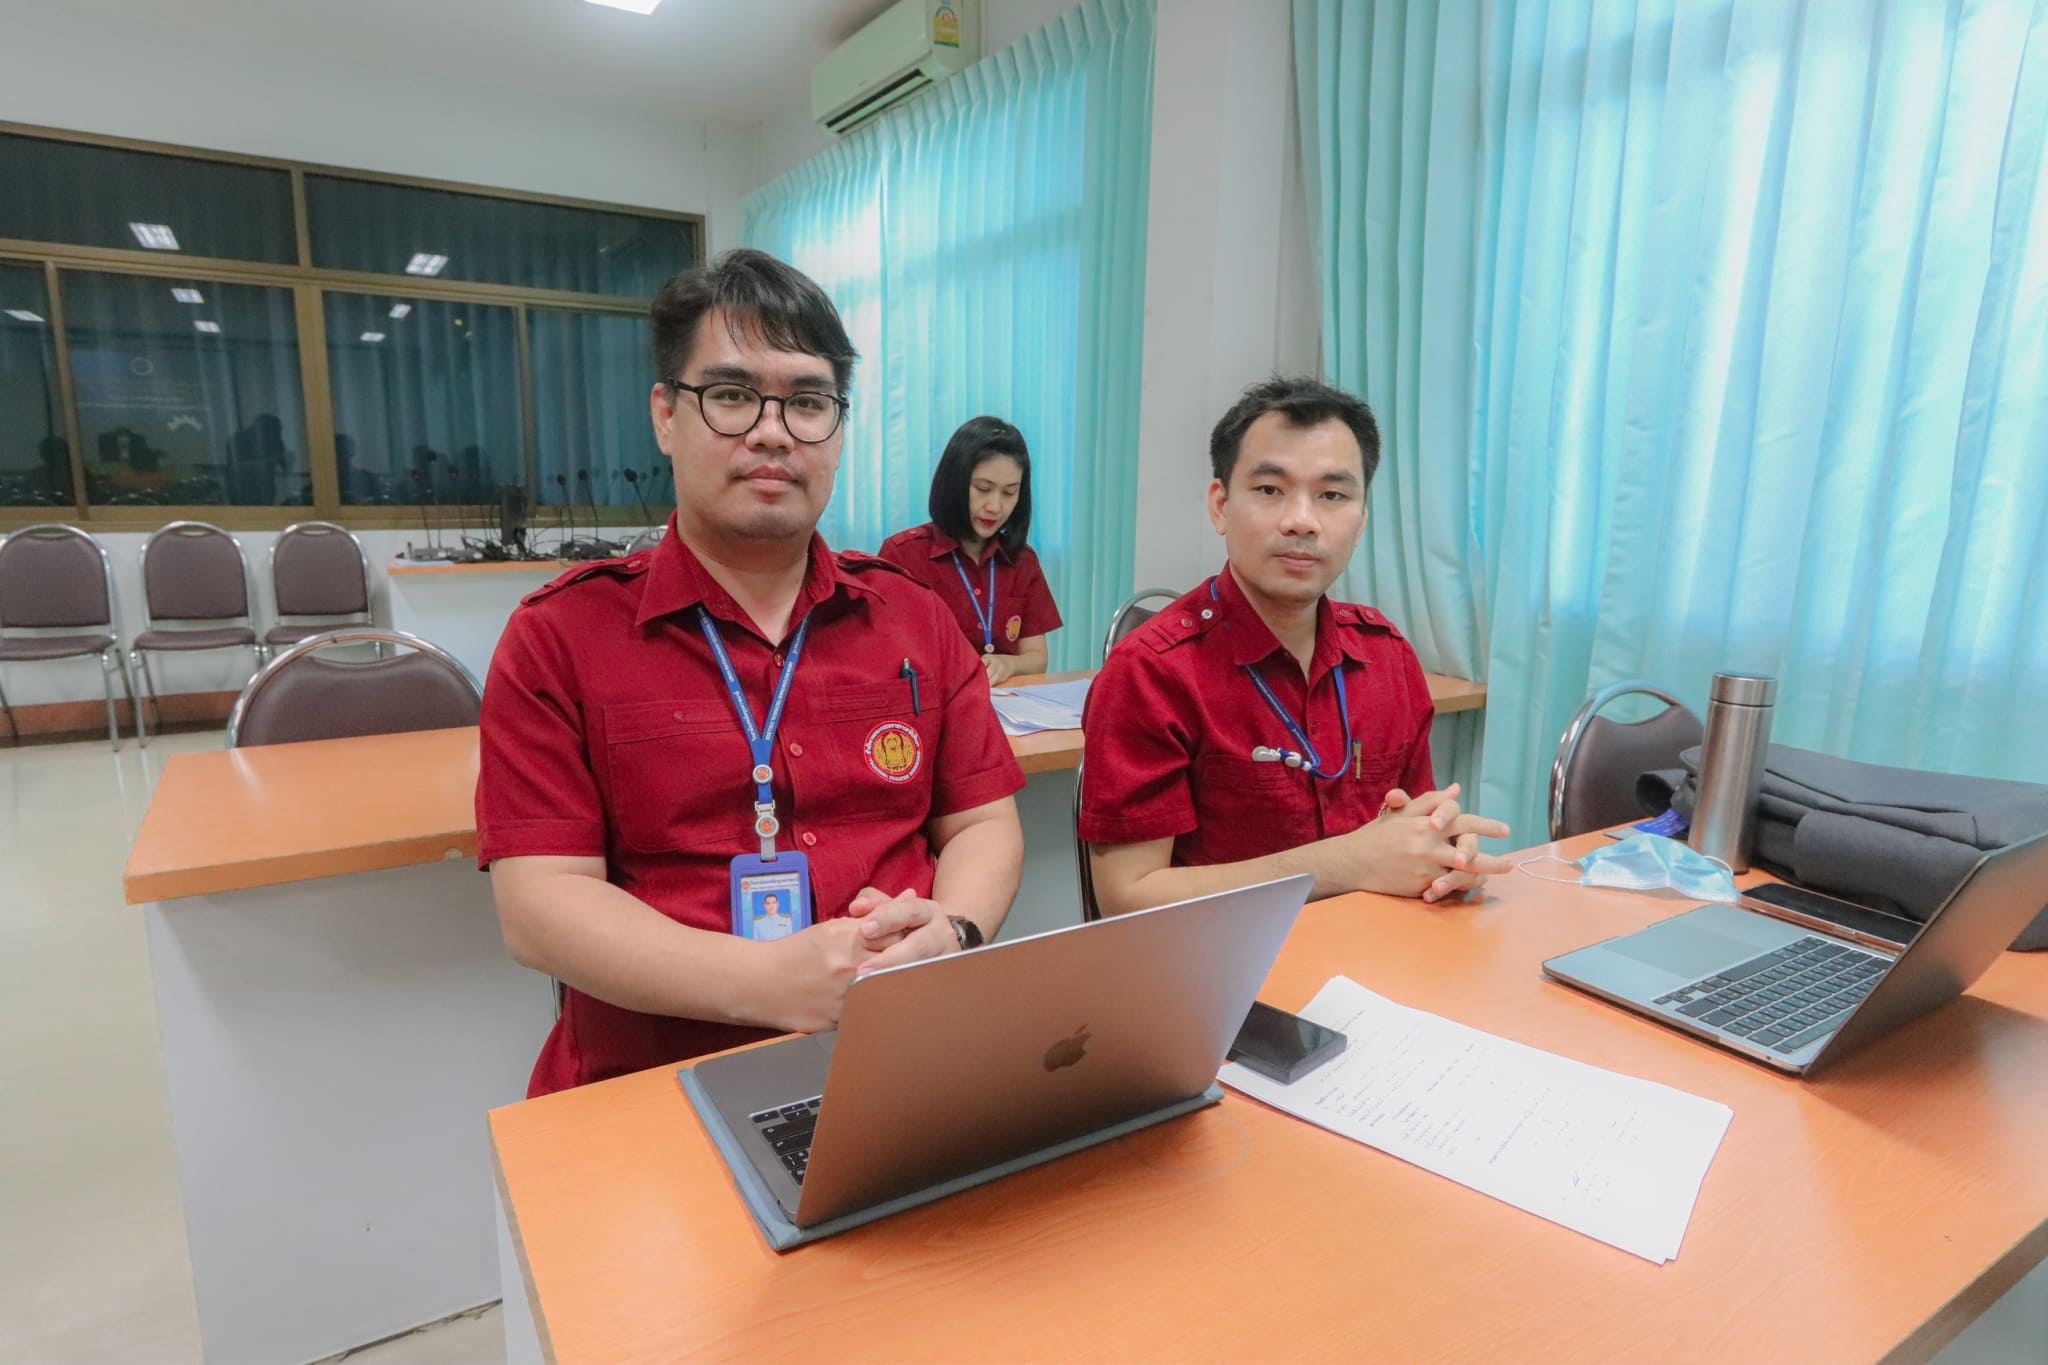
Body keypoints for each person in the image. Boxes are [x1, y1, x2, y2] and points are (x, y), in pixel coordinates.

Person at [477, 248, 1026, 1096]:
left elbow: (984, 824)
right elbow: (539, 906)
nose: (773, 431)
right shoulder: (559, 637)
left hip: (899, 1055)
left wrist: (952, 931)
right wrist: (767, 984)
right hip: (658, 1078)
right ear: (666, 415)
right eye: (732, 395)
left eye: (807, 402)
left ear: (837, 428)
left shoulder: (915, 618)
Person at [1078, 376, 1511, 916]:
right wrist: (1344, 863)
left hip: (1381, 951)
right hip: (1226, 963)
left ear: (1361, 521)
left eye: (1332, 495)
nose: (1301, 521)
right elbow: (1127, 896)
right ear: (1220, 505)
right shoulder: (1151, 671)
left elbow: (1416, 826)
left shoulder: (1386, 655)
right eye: (1270, 490)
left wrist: (1445, 853)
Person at [878, 416, 1062, 686]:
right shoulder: (903, 554)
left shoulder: (1022, 560)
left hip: (1003, 704)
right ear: (954, 483)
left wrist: (1008, 663)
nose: (995, 507)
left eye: (1009, 493)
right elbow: (886, 654)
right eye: (983, 489)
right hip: (933, 702)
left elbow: (1037, 658)